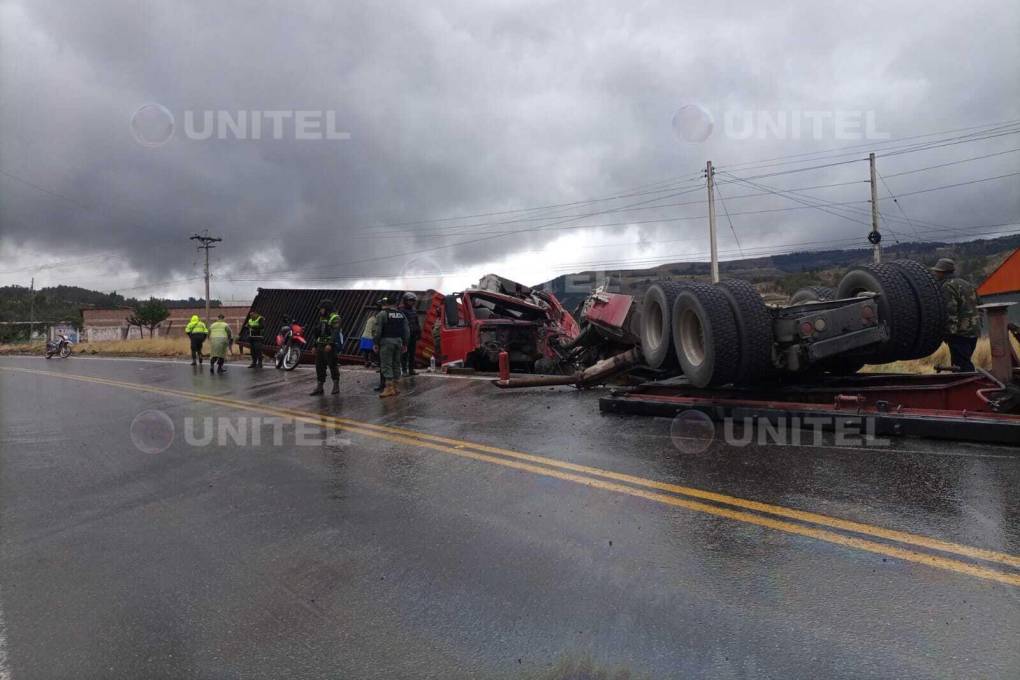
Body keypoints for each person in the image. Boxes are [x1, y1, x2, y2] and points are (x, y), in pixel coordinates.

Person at [931, 258, 981, 372]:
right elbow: (979, 306)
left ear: (943, 272)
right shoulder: (968, 284)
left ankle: (969, 386)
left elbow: (950, 312)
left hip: (959, 334)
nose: (935, 274)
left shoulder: (947, 286)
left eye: (937, 271)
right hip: (974, 331)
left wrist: (949, 334)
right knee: (964, 361)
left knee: (962, 366)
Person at [373, 296, 408, 398]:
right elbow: (406, 330)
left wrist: (375, 343)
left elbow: (377, 331)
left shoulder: (382, 314)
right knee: (396, 363)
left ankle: (388, 388)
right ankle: (395, 387)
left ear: (386, 304)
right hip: (399, 341)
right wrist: (405, 343)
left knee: (386, 364)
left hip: (386, 342)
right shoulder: (402, 314)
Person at [308, 299, 343, 395]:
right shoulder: (322, 318)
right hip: (320, 345)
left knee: (332, 365)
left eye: (322, 309)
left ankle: (336, 386)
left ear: (327, 309)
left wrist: (330, 344)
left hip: (330, 346)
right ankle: (320, 387)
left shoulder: (335, 318)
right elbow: (317, 333)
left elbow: (335, 333)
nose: (320, 311)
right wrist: (314, 345)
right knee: (319, 366)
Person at [399, 292, 421, 376]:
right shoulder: (401, 310)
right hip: (405, 335)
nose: (411, 302)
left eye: (413, 301)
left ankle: (411, 370)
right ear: (405, 301)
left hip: (413, 335)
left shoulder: (414, 310)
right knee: (404, 353)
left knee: (412, 353)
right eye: (410, 300)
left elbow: (416, 322)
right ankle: (404, 370)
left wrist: (419, 332)